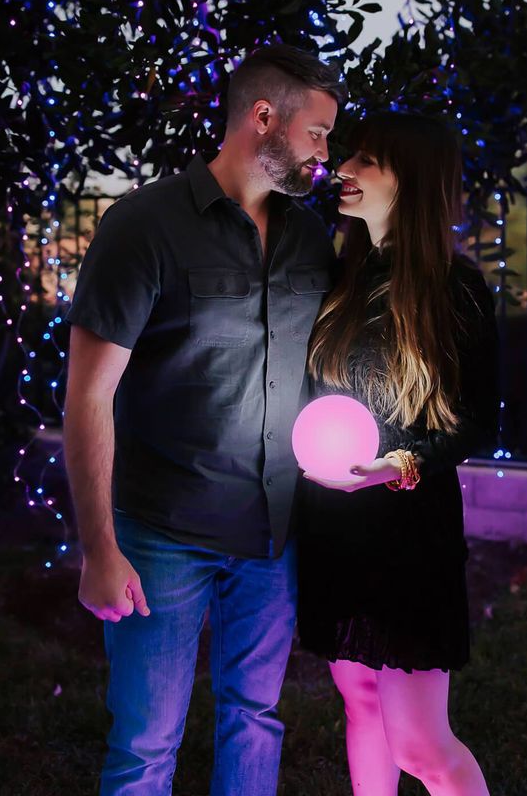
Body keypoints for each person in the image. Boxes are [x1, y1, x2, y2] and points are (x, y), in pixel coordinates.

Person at [63, 43, 343, 796]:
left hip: (272, 540)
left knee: (256, 716)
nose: (325, 152)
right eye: (316, 132)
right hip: (163, 538)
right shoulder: (143, 227)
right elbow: (88, 397)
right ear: (263, 118)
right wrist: (99, 548)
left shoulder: (311, 239)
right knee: (146, 746)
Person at [297, 112, 498, 796]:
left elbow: (478, 421)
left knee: (420, 744)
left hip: (408, 538)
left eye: (368, 162)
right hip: (334, 530)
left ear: (410, 183)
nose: (343, 170)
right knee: (361, 705)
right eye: (348, 156)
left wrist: (401, 462)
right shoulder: (340, 281)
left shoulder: (455, 289)